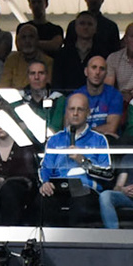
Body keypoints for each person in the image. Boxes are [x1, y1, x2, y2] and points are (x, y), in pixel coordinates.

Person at [38, 93, 109, 226]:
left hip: (85, 189)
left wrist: (83, 161)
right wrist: (45, 182)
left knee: (80, 207)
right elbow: (46, 168)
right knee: (41, 203)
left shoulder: (99, 139)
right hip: (58, 188)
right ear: (66, 112)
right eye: (72, 109)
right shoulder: (54, 139)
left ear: (88, 112)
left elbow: (107, 174)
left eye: (80, 109)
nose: (75, 113)